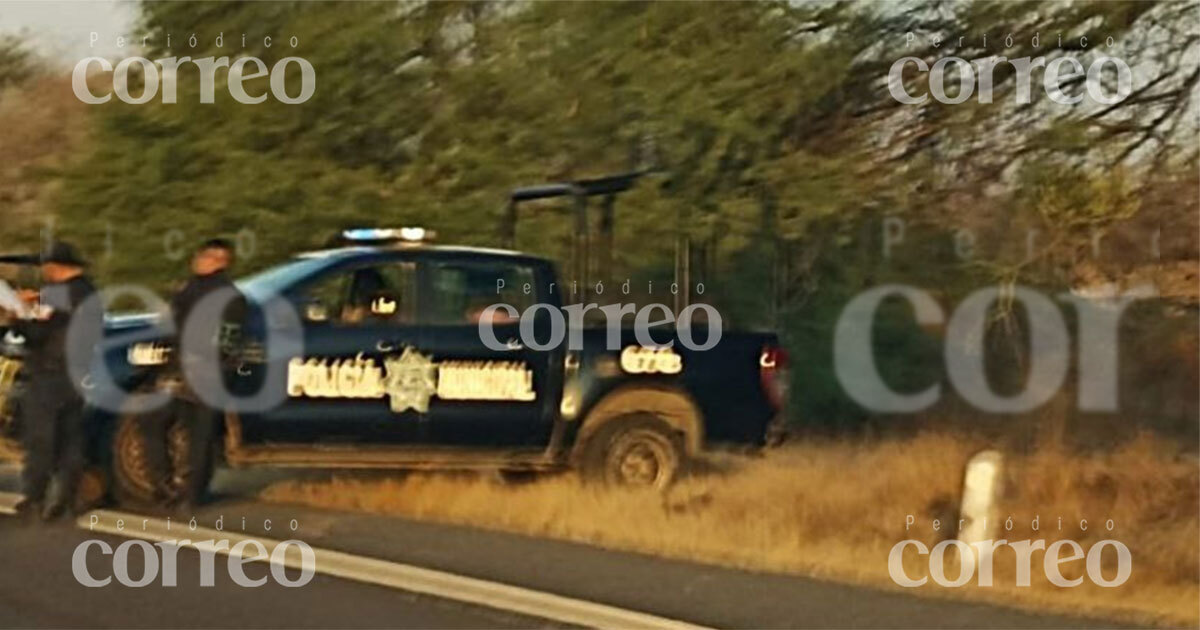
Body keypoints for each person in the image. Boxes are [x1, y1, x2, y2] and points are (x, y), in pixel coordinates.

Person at [140, 238, 245, 509]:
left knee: (194, 433)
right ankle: (178, 490)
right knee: (185, 430)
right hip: (190, 370)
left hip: (202, 372)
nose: (197, 260)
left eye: (205, 255)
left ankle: (181, 492)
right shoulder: (193, 290)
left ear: (218, 260)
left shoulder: (223, 296)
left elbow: (226, 341)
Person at [4, 242, 102, 521]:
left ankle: (35, 498)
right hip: (78, 374)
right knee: (71, 439)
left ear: (54, 266)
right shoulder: (90, 293)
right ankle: (67, 500)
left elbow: (38, 333)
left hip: (48, 374)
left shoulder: (57, 294)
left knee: (41, 439)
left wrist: (17, 315)